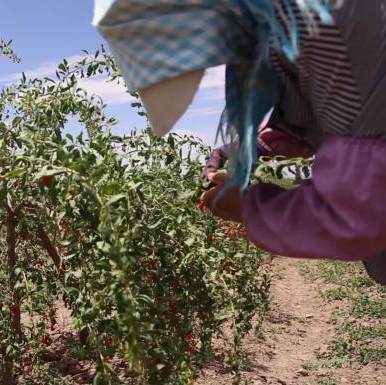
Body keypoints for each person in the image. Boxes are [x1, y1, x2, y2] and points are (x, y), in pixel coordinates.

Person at [92, 0, 386, 284]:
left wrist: (251, 208)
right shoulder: (282, 25)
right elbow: (322, 111)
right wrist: (256, 146)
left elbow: (363, 216)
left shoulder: (323, 20)